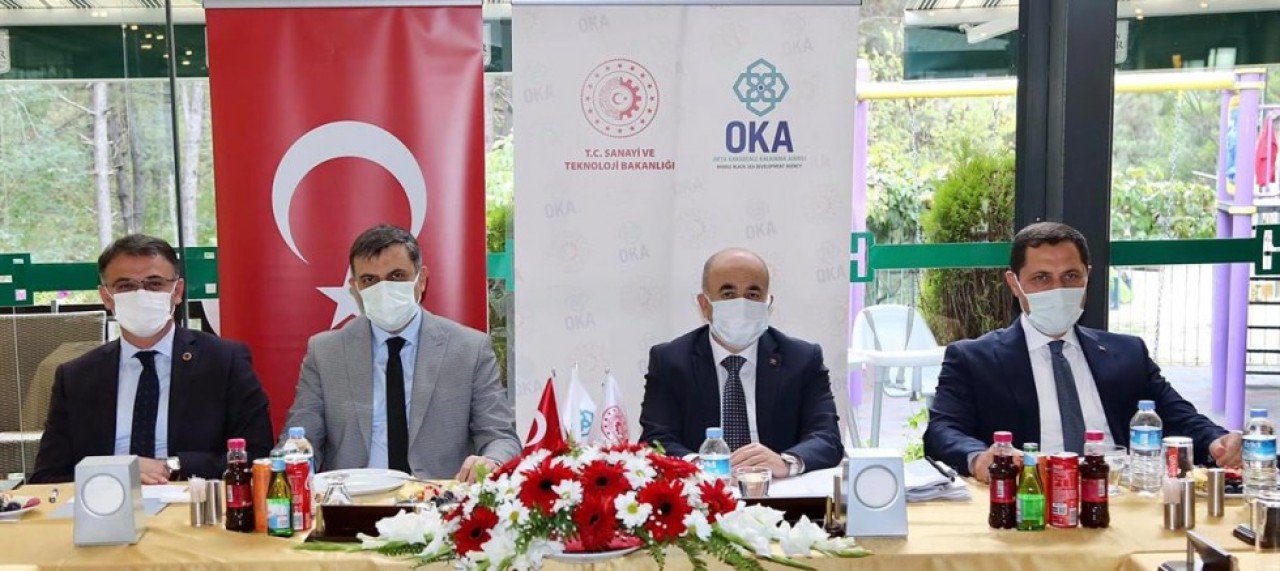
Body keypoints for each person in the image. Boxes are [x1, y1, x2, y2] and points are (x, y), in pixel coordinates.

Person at [924, 222, 1243, 482]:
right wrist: (979, 458)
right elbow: (942, 431)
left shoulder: (1127, 353)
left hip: (1118, 498)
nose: (1058, 289)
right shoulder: (973, 359)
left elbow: (1179, 418)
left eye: (1071, 276)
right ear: (1014, 283)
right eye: (1041, 278)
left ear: (1087, 276)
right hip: (1029, 500)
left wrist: (1217, 442)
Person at [281, 224, 519, 483]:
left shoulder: (469, 349)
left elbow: (500, 437)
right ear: (355, 288)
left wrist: (491, 461)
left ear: (421, 279)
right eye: (369, 280)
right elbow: (300, 439)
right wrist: (287, 467)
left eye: (396, 276)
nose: (383, 289)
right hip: (353, 500)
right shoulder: (326, 353)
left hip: (440, 499)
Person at [31, 235, 274, 484]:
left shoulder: (224, 361)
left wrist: (170, 466)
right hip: (106, 500)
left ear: (177, 291)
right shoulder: (76, 377)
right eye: (125, 286)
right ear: (106, 297)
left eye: (154, 284)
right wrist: (116, 472)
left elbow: (257, 456)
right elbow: (47, 476)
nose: (141, 294)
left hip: (189, 498)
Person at [639, 248, 842, 478]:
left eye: (753, 294)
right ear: (704, 305)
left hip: (776, 488)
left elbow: (827, 437)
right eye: (728, 294)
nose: (742, 304)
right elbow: (655, 440)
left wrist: (786, 463)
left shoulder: (802, 359)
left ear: (768, 303)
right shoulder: (670, 360)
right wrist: (702, 466)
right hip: (703, 491)